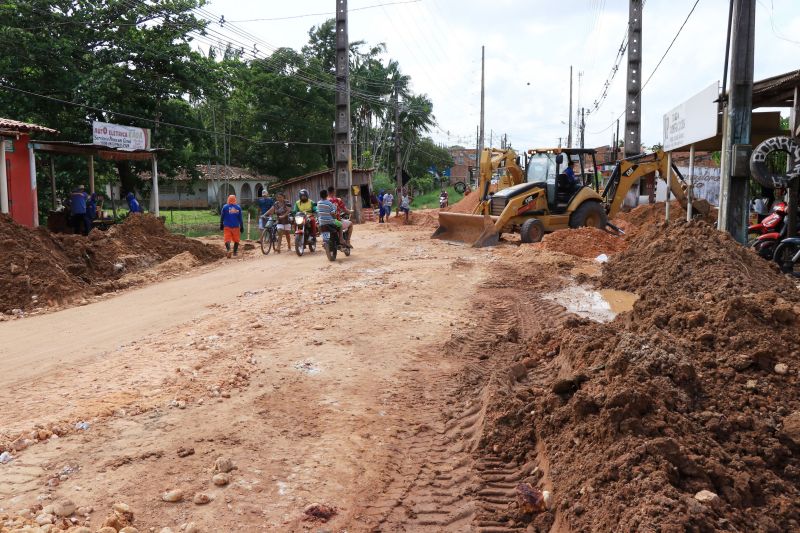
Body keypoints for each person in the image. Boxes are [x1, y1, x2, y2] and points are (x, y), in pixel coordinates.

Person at [220, 194, 244, 258]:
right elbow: (240, 218)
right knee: (236, 240)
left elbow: (222, 217)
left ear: (228, 199)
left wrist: (221, 224)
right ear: (235, 200)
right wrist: (242, 226)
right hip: (236, 227)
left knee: (227, 239)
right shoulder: (238, 208)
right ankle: (235, 252)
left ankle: (228, 250)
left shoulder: (225, 207)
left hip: (227, 226)